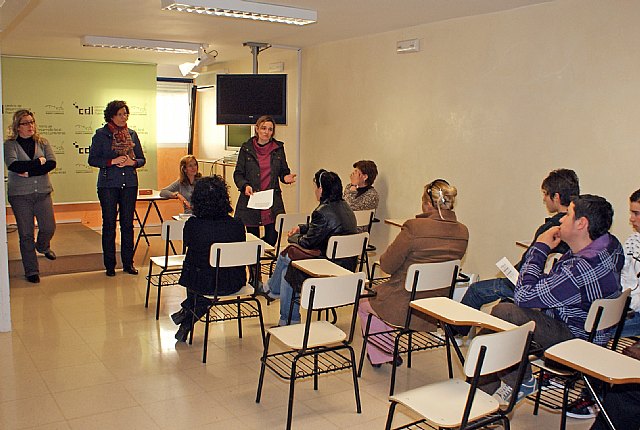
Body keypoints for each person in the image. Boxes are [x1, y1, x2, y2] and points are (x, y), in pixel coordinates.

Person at [489, 194, 624, 415]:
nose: (560, 221)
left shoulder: (581, 268)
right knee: (495, 332)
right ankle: (490, 401)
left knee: (504, 312)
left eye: (568, 215)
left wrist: (540, 247)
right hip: (591, 330)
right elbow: (567, 288)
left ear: (582, 224)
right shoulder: (611, 245)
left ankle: (518, 383)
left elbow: (523, 296)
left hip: (576, 342)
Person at [358, 179, 469, 367]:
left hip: (405, 304)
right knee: (381, 296)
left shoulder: (414, 227)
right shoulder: (463, 232)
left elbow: (387, 264)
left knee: (364, 301)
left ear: (427, 204)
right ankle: (388, 346)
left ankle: (384, 353)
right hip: (435, 307)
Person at [456, 169, 579, 335]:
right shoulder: (579, 228)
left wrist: (513, 273)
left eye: (545, 194)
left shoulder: (553, 227)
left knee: (476, 290)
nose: (543, 199)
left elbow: (531, 262)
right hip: (550, 287)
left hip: (532, 284)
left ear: (556, 197)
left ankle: (454, 332)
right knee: (504, 302)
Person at [263, 169, 357, 326]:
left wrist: (294, 237)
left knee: (289, 268)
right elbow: (326, 226)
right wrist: (302, 228)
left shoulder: (322, 211)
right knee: (289, 262)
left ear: (321, 189)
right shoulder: (346, 207)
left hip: (327, 267)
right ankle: (274, 295)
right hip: (346, 266)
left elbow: (307, 243)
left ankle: (282, 309)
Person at [170, 175, 247, 342]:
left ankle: (187, 314)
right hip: (233, 282)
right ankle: (186, 318)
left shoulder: (193, 225)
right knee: (207, 270)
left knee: (194, 263)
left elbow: (188, 246)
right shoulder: (237, 225)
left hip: (202, 284)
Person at [88, 100, 146, 277]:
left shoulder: (132, 134)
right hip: (108, 185)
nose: (123, 117)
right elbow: (92, 160)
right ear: (111, 116)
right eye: (120, 114)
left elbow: (142, 159)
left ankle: (128, 263)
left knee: (128, 225)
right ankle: (110, 265)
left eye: (125, 114)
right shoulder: (101, 134)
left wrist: (132, 162)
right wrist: (110, 162)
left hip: (129, 183)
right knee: (109, 225)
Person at [4, 110, 57, 283]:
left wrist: (30, 171)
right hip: (20, 195)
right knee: (26, 234)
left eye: (32, 122)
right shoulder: (10, 145)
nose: (30, 126)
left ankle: (42, 246)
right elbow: (14, 165)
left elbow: (51, 163)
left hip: (42, 192)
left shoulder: (42, 142)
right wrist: (37, 163)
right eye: (26, 123)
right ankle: (31, 270)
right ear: (17, 127)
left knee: (48, 227)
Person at [233, 115, 296, 247]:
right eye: (263, 128)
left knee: (272, 237)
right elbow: (238, 174)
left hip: (272, 202)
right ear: (257, 129)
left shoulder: (278, 148)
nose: (266, 132)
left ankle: (259, 255)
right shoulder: (246, 148)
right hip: (252, 200)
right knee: (252, 240)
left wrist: (286, 178)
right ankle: (255, 266)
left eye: (270, 129)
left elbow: (283, 171)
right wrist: (245, 186)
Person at [620, 189, 640, 337]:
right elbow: (620, 273)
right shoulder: (633, 240)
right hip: (623, 305)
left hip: (637, 313)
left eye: (636, 213)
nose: (631, 219)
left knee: (596, 330)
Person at [343, 160, 379, 231]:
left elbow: (348, 207)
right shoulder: (349, 187)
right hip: (342, 228)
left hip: (357, 233)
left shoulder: (372, 195)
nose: (352, 174)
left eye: (356, 172)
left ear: (365, 177)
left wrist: (353, 185)